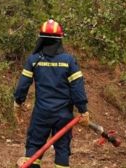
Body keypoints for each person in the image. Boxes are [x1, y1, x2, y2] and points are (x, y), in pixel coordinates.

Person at [13, 19, 89, 168]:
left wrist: (18, 102)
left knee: (34, 147)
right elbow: (77, 88)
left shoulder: (34, 60)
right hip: (63, 116)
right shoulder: (69, 61)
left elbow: (23, 85)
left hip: (41, 114)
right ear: (60, 40)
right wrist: (83, 109)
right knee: (62, 149)